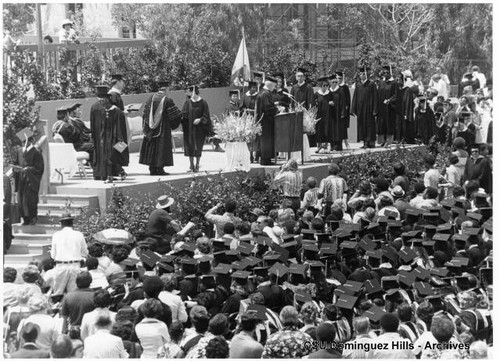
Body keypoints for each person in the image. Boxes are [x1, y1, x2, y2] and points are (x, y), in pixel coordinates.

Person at [139, 80, 183, 175]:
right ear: (166, 89)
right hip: (163, 129)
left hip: (150, 130)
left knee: (152, 147)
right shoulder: (167, 100)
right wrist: (181, 115)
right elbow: (175, 115)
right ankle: (159, 168)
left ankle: (152, 168)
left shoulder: (150, 98)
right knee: (161, 147)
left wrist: (148, 126)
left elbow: (144, 113)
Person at [90, 84, 129, 183]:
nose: (103, 100)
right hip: (108, 137)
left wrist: (94, 136)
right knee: (110, 155)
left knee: (107, 155)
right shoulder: (113, 109)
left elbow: (92, 124)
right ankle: (115, 173)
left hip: (103, 137)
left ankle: (103, 174)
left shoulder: (95, 107)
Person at [50, 212, 88, 296]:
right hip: (75, 266)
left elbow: (53, 255)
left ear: (61, 224)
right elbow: (85, 252)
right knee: (73, 293)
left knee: (58, 294)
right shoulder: (79, 234)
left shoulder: (56, 235)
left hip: (61, 266)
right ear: (72, 223)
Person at [13, 135, 44, 225]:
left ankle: (33, 218)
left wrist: (28, 169)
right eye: (23, 142)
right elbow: (16, 163)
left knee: (30, 200)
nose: (24, 143)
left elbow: (39, 168)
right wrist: (16, 169)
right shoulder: (19, 151)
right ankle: (25, 218)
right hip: (21, 180)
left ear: (31, 141)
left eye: (25, 141)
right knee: (21, 200)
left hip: (31, 180)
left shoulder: (36, 152)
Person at [181, 85, 213, 172]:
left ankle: (197, 164)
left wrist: (200, 119)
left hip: (199, 129)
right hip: (189, 129)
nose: (189, 93)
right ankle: (191, 165)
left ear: (194, 92)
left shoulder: (203, 102)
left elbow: (206, 115)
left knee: (198, 147)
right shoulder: (187, 102)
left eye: (190, 92)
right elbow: (183, 114)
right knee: (190, 146)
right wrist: (184, 118)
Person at [60, 271, 96, 338]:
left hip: (74, 333)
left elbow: (65, 318)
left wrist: (64, 333)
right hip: (91, 332)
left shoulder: (68, 296)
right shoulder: (95, 296)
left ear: (76, 282)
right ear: (90, 282)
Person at [351, 66, 378, 148]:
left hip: (369, 109)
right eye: (360, 74)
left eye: (363, 74)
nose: (361, 75)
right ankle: (365, 142)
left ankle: (371, 142)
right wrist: (353, 109)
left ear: (366, 75)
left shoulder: (371, 84)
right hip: (360, 109)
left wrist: (375, 109)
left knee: (370, 125)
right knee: (362, 125)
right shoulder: (358, 85)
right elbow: (355, 97)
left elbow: (375, 97)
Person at [256, 75, 279, 165]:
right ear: (271, 85)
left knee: (265, 140)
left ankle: (266, 159)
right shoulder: (266, 94)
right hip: (266, 122)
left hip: (264, 121)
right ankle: (265, 160)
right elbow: (268, 108)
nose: (274, 88)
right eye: (274, 86)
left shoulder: (263, 93)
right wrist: (277, 109)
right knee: (266, 140)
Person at [377, 65, 397, 147]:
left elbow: (396, 95)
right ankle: (382, 140)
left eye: (387, 72)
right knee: (382, 123)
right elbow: (378, 94)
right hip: (382, 107)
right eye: (384, 72)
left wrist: (390, 100)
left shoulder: (394, 83)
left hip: (390, 108)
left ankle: (389, 141)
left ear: (391, 73)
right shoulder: (381, 82)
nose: (385, 74)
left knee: (389, 123)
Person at [398, 69, 419, 144]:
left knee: (409, 122)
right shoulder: (405, 87)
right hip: (407, 106)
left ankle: (410, 138)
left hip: (411, 106)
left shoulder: (409, 87)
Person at [314, 76, 334, 153]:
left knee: (326, 131)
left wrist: (332, 104)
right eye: (323, 85)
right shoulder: (316, 94)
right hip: (319, 115)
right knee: (319, 131)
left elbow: (333, 104)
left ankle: (325, 147)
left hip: (327, 116)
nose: (325, 87)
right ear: (320, 85)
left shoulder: (330, 94)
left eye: (326, 85)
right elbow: (314, 105)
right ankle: (318, 147)